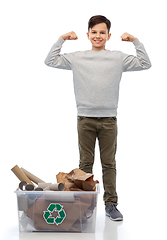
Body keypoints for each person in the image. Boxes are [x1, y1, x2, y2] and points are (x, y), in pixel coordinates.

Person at [45, 15, 151, 221]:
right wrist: (62, 38)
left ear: (109, 35)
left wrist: (135, 41)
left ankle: (111, 205)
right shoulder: (77, 57)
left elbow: (145, 63)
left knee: (109, 164)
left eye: (102, 32)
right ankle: (85, 206)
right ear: (88, 35)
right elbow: (50, 60)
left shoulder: (118, 58)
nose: (98, 36)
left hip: (109, 119)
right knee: (85, 164)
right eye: (94, 32)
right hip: (85, 118)